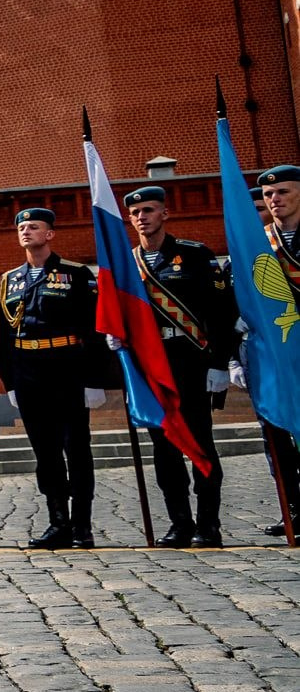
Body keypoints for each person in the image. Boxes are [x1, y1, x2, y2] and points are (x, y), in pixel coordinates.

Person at [122, 185, 236, 547]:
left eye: (150, 210)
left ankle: (208, 524)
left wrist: (219, 363)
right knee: (164, 447)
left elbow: (220, 314)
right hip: (150, 366)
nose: (143, 217)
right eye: (137, 212)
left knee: (200, 442)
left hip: (191, 361)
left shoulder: (195, 255)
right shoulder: (125, 263)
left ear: (164, 214)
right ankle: (179, 523)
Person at [0, 208, 104, 550]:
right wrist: (9, 380)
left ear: (50, 234)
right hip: (28, 371)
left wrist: (94, 378)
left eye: (34, 227)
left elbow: (94, 329)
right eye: (22, 228)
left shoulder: (76, 274)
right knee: (46, 453)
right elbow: (4, 334)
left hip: (67, 367)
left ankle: (82, 525)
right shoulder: (10, 279)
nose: (26, 232)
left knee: (77, 449)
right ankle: (58, 522)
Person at [249, 165, 300, 540]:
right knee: (277, 433)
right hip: (277, 354)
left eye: (282, 191)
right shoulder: (257, 242)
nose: (274, 199)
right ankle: (293, 508)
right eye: (269, 195)